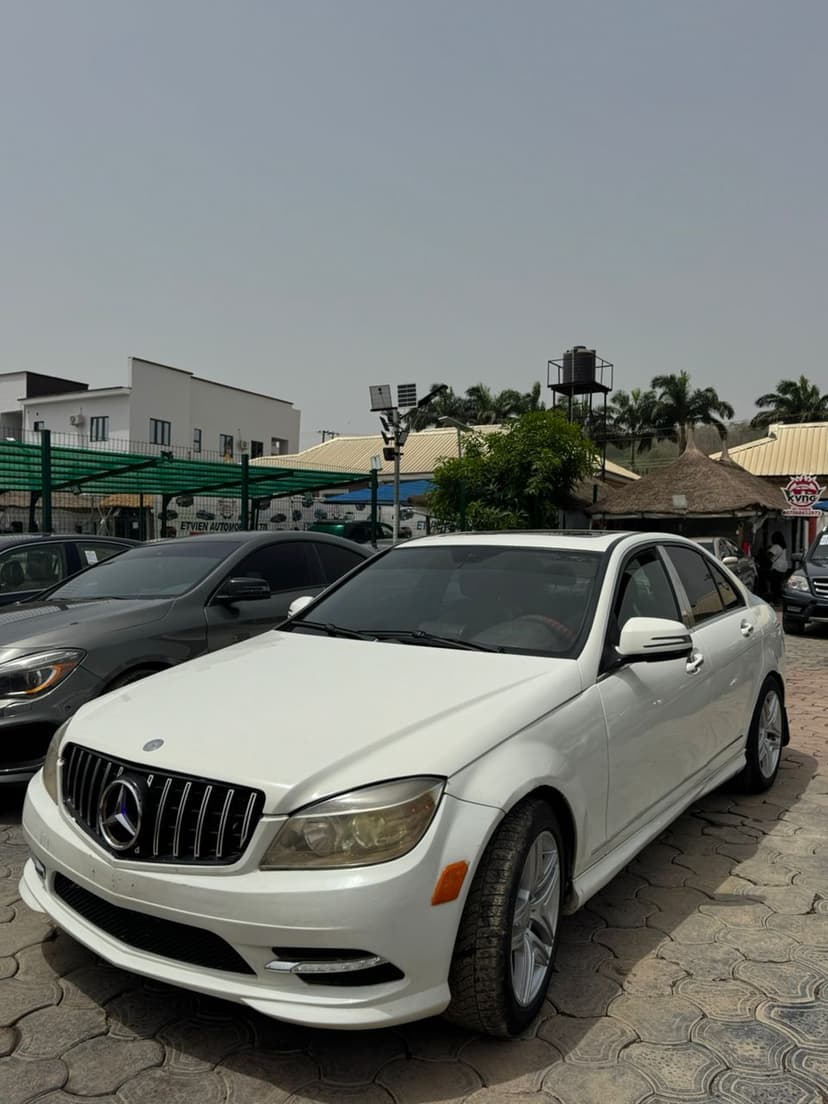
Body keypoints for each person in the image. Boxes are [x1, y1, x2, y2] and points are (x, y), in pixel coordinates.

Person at [768, 531, 789, 603]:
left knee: (774, 585)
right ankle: (778, 600)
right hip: (784, 568)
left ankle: (774, 600)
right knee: (779, 585)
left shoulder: (776, 546)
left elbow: (769, 556)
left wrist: (766, 551)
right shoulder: (784, 547)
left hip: (776, 567)